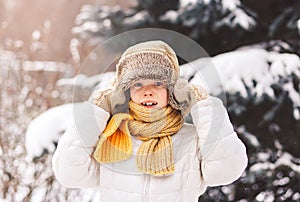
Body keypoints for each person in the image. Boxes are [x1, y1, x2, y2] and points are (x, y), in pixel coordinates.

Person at [52, 40, 248, 201]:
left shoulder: (191, 139)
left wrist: (203, 104)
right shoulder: (112, 138)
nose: (148, 91)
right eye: (137, 83)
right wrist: (97, 108)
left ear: (172, 90)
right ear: (125, 92)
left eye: (158, 82)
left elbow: (226, 170)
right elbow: (69, 173)